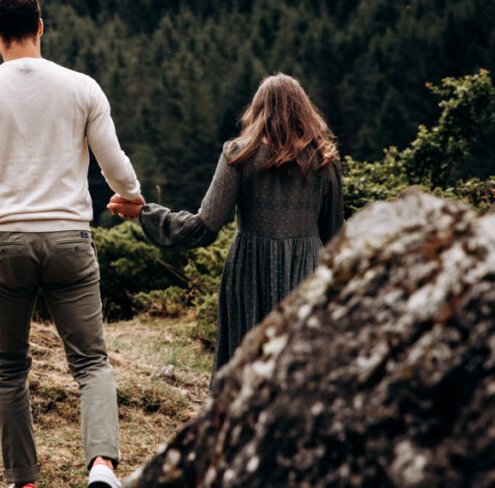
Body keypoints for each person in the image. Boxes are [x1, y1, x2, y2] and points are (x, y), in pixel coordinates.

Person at [0, 0, 143, 488]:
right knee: (92, 362)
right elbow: (112, 163)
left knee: (8, 367)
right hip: (70, 242)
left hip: (6, 245)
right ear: (41, 26)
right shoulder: (83, 88)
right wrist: (132, 196)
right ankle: (101, 466)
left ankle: (25, 481)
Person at [108, 73, 343, 374]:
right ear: (304, 110)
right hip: (307, 271)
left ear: (257, 112)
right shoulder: (325, 161)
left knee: (244, 367)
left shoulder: (239, 155)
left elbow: (203, 227)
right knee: (301, 369)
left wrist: (146, 213)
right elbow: (336, 239)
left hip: (250, 271)